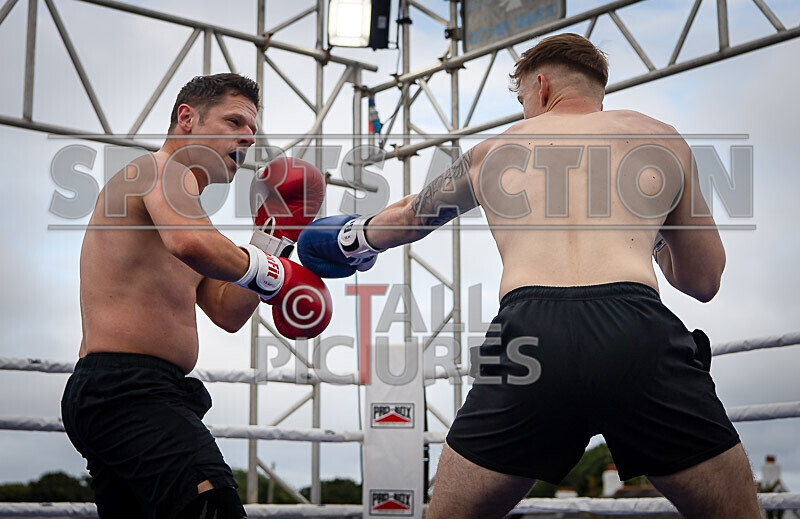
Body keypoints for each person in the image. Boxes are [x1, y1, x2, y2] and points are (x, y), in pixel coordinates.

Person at [297, 34, 762, 518]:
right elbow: (704, 281)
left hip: (529, 337)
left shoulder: (492, 152)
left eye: (520, 100)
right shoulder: (662, 139)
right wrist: (655, 231)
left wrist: (351, 239)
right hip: (636, 331)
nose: (523, 112)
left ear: (540, 86)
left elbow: (411, 216)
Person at [61, 73, 330, 518]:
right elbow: (192, 244)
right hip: (127, 391)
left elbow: (227, 310)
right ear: (187, 117)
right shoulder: (155, 169)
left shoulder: (189, 216)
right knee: (215, 508)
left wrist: (274, 237)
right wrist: (280, 278)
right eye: (234, 122)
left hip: (135, 393)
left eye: (253, 131)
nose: (247, 137)